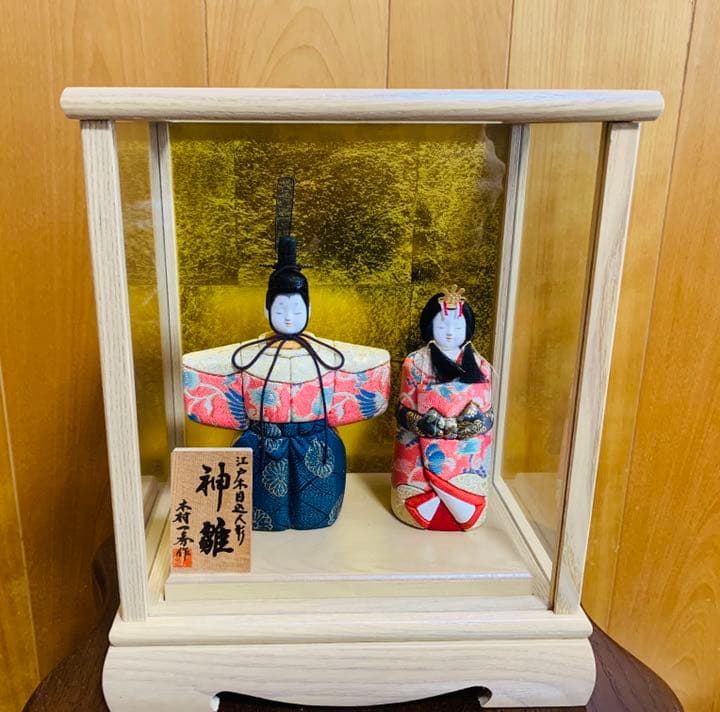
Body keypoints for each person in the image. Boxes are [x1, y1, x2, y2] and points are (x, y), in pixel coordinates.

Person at [182, 232, 390, 532]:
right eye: (280, 310)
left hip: (317, 440)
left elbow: (368, 362)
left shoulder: (328, 355)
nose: (289, 317)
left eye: (297, 309)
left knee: (315, 511)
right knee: (264, 511)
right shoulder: (247, 356)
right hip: (263, 440)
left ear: (310, 310)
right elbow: (202, 365)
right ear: (267, 310)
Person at [391, 287, 493, 531]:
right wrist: (421, 423)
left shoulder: (480, 365)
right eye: (442, 325)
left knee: (464, 493)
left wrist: (471, 426)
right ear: (429, 326)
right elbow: (405, 410)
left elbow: (485, 413)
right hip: (419, 442)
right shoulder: (415, 363)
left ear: (468, 329)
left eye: (457, 327)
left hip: (466, 450)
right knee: (418, 490)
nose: (450, 333)